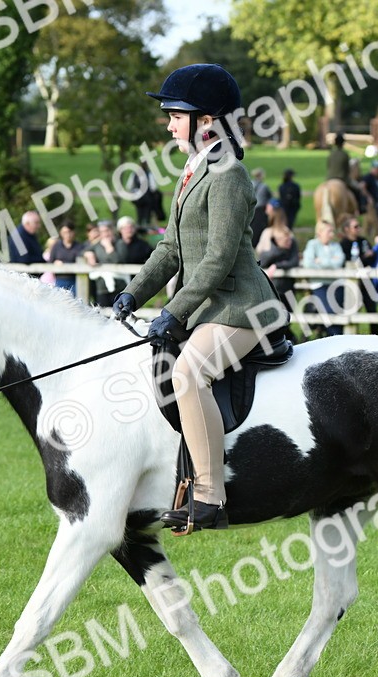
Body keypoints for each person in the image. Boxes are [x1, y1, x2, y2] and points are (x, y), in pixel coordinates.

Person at [110, 63, 287, 531]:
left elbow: (218, 258)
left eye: (175, 115)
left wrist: (173, 310)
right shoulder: (194, 169)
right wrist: (131, 294)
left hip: (242, 308)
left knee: (188, 373)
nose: (168, 124)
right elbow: (171, 248)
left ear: (206, 120)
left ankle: (210, 496)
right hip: (212, 306)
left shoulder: (228, 173)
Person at [303, 221, 346, 336]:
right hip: (320, 284)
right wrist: (331, 261)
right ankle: (335, 337)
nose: (332, 234)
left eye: (332, 231)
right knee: (329, 312)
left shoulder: (336, 246)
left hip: (337, 283)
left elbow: (339, 262)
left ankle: (338, 338)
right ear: (320, 232)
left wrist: (320, 261)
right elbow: (308, 263)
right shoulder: (312, 245)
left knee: (340, 312)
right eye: (329, 231)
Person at [339, 215, 378, 335]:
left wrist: (366, 258)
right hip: (352, 282)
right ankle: (352, 337)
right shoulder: (343, 244)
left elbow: (372, 257)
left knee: (372, 309)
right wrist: (363, 257)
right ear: (347, 229)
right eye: (355, 226)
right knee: (352, 310)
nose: (358, 229)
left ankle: (375, 336)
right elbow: (346, 261)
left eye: (359, 226)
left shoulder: (363, 241)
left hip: (366, 281)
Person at [258, 225, 299, 314]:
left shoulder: (292, 248)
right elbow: (262, 262)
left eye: (289, 240)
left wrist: (277, 265)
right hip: (274, 290)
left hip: (288, 288)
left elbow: (294, 262)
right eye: (286, 240)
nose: (289, 242)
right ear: (277, 240)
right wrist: (276, 249)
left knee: (290, 315)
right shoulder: (271, 252)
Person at [86, 219, 127, 307]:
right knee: (103, 315)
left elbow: (118, 260)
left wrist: (109, 247)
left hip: (119, 286)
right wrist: (89, 254)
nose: (105, 234)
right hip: (101, 287)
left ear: (112, 231)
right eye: (102, 232)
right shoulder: (97, 245)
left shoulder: (120, 243)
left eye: (107, 231)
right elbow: (83, 251)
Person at [43, 219, 84, 296]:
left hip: (75, 280)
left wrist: (63, 263)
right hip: (60, 280)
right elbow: (50, 263)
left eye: (69, 232)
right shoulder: (56, 246)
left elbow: (81, 262)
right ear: (61, 233)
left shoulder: (79, 247)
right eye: (65, 232)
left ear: (73, 232)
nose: (67, 235)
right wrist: (55, 264)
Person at [362, 160, 378, 227]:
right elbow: (362, 186)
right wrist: (368, 197)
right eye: (377, 169)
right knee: (377, 222)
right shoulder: (368, 177)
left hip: (377, 204)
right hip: (371, 204)